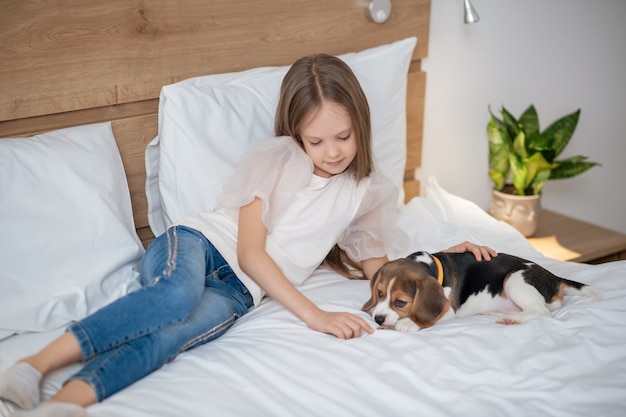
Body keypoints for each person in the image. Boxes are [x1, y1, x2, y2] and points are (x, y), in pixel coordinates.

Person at [0, 53, 496, 417]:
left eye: (343, 137)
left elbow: (381, 269)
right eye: (316, 140)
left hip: (241, 292)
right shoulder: (277, 157)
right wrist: (315, 315)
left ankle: (67, 403)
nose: (331, 152)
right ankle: (32, 365)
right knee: (174, 296)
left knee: (176, 335)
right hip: (198, 244)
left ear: (361, 127)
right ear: (297, 134)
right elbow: (250, 252)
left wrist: (441, 260)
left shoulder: (367, 190)